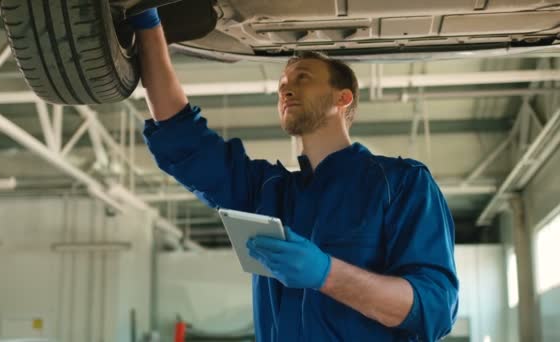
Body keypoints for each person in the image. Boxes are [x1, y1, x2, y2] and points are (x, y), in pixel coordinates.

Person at [129, 7, 459, 342]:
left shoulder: (401, 183)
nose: (286, 90)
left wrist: (328, 275)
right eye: (282, 84)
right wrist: (147, 23)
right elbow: (181, 134)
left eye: (302, 78)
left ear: (342, 98)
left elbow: (435, 307)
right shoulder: (267, 191)